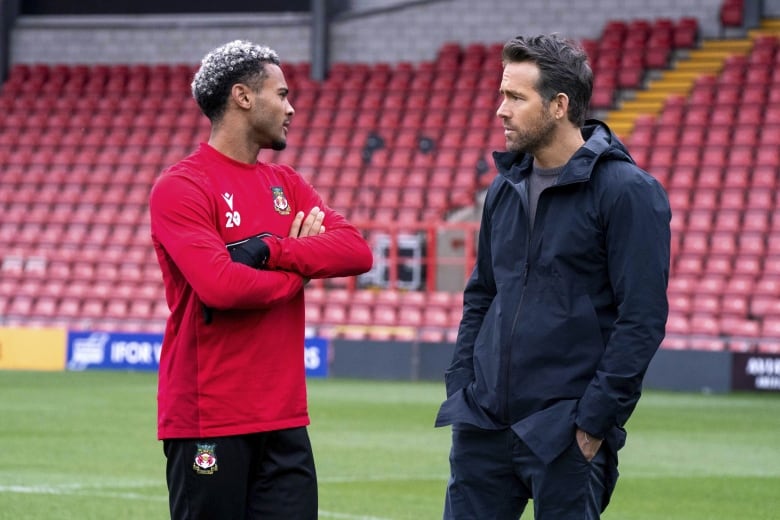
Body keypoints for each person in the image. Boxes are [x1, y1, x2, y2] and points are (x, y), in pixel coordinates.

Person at [435, 34, 671, 519]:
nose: (501, 110)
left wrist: (594, 422)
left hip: (566, 431)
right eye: (503, 94)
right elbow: (482, 294)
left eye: (516, 97)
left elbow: (641, 317)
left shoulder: (627, 192)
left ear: (559, 105)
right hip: (484, 424)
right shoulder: (504, 188)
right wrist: (462, 384)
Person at [149, 39, 373, 519]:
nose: (291, 108)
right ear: (243, 97)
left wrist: (274, 249)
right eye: (282, 93)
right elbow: (221, 286)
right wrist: (300, 275)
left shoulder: (286, 183)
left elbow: (356, 251)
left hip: (285, 418)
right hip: (208, 417)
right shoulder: (182, 185)